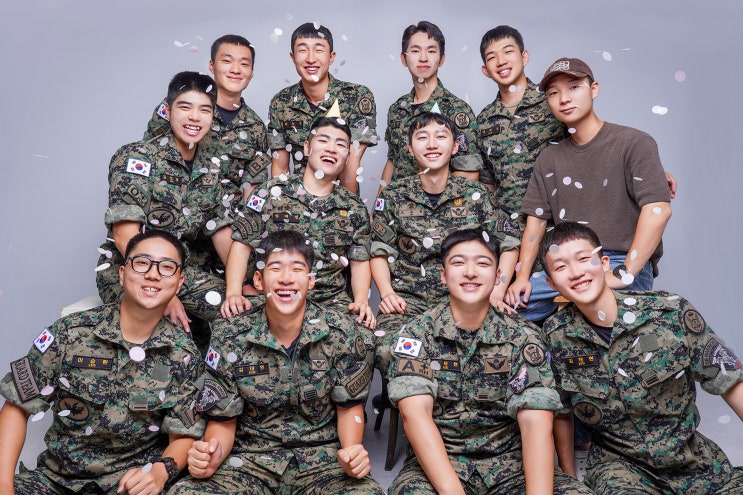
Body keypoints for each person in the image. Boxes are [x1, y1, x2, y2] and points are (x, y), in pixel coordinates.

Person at [167, 231, 384, 495]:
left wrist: (352, 453)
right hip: (249, 461)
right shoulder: (230, 336)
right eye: (276, 268)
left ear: (310, 281)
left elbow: (349, 407)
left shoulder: (341, 331)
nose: (286, 278)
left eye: (297, 269)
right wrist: (213, 455)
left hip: (323, 462)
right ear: (258, 280)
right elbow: (223, 420)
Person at [539, 221, 743, 494]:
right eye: (561, 267)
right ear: (552, 282)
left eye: (584, 259)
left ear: (604, 263)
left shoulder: (669, 313)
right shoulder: (556, 336)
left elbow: (730, 381)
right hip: (622, 470)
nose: (576, 273)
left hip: (693, 462)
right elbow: (562, 412)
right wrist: (569, 476)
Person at [386, 229, 593, 495]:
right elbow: (415, 415)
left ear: (497, 277)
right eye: (458, 263)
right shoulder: (415, 335)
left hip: (512, 468)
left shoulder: (523, 337)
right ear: (443, 275)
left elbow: (535, 423)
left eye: (482, 263)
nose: (470, 272)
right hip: (440, 465)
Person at [0, 231, 205, 495]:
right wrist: (3, 487)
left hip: (129, 484)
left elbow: (183, 434)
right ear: (122, 273)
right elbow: (17, 408)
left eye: (166, 267)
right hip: (55, 481)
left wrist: (160, 471)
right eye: (142, 263)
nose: (153, 274)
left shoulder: (184, 355)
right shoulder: (69, 333)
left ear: (179, 283)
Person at [507, 57, 673, 321]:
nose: (564, 98)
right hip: (564, 266)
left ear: (594, 89)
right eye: (553, 93)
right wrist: (522, 278)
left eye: (574, 87)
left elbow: (658, 210)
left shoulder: (634, 143)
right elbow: (536, 222)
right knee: (500, 314)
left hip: (620, 260)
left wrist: (625, 271)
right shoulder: (549, 158)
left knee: (599, 324)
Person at [371, 112, 520, 379]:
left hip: (466, 300)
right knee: (385, 350)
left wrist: (497, 291)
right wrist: (386, 293)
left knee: (499, 351)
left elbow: (508, 244)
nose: (432, 144)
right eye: (422, 137)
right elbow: (379, 250)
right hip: (408, 303)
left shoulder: (476, 195)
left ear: (454, 147)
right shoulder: (393, 196)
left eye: (441, 137)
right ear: (409, 148)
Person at [96, 71, 232, 348]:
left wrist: (239, 284)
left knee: (241, 312)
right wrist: (164, 292)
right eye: (185, 107)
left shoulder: (212, 169)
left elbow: (220, 231)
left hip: (184, 273)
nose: (194, 117)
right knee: (167, 335)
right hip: (136, 270)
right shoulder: (137, 157)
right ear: (168, 111)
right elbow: (125, 235)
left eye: (204, 110)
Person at [220, 116, 375, 328]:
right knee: (230, 331)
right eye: (323, 140)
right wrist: (233, 293)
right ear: (307, 147)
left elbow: (359, 261)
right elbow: (241, 244)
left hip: (330, 302)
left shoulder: (354, 207)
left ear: (347, 157)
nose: (331, 149)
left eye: (340, 145)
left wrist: (361, 301)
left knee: (363, 337)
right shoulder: (270, 192)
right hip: (275, 296)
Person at [144, 34, 271, 204]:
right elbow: (147, 153)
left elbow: (253, 189)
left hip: (225, 216)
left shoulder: (256, 128)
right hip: (171, 207)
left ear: (252, 72)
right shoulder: (179, 108)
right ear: (212, 65)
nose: (235, 70)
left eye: (244, 64)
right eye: (227, 61)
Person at [268, 22, 377, 194]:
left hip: (338, 197)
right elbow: (280, 168)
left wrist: (346, 207)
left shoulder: (359, 96)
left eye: (319, 50)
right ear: (293, 57)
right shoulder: (281, 102)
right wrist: (280, 204)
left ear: (331, 57)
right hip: (297, 200)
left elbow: (351, 163)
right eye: (302, 50)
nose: (311, 58)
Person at [380, 20, 481, 191]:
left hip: (436, 205)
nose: (423, 58)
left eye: (431, 51)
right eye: (415, 51)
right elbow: (392, 161)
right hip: (397, 206)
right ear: (404, 58)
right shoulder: (397, 109)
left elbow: (468, 172)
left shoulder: (457, 110)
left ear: (441, 59)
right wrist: (379, 204)